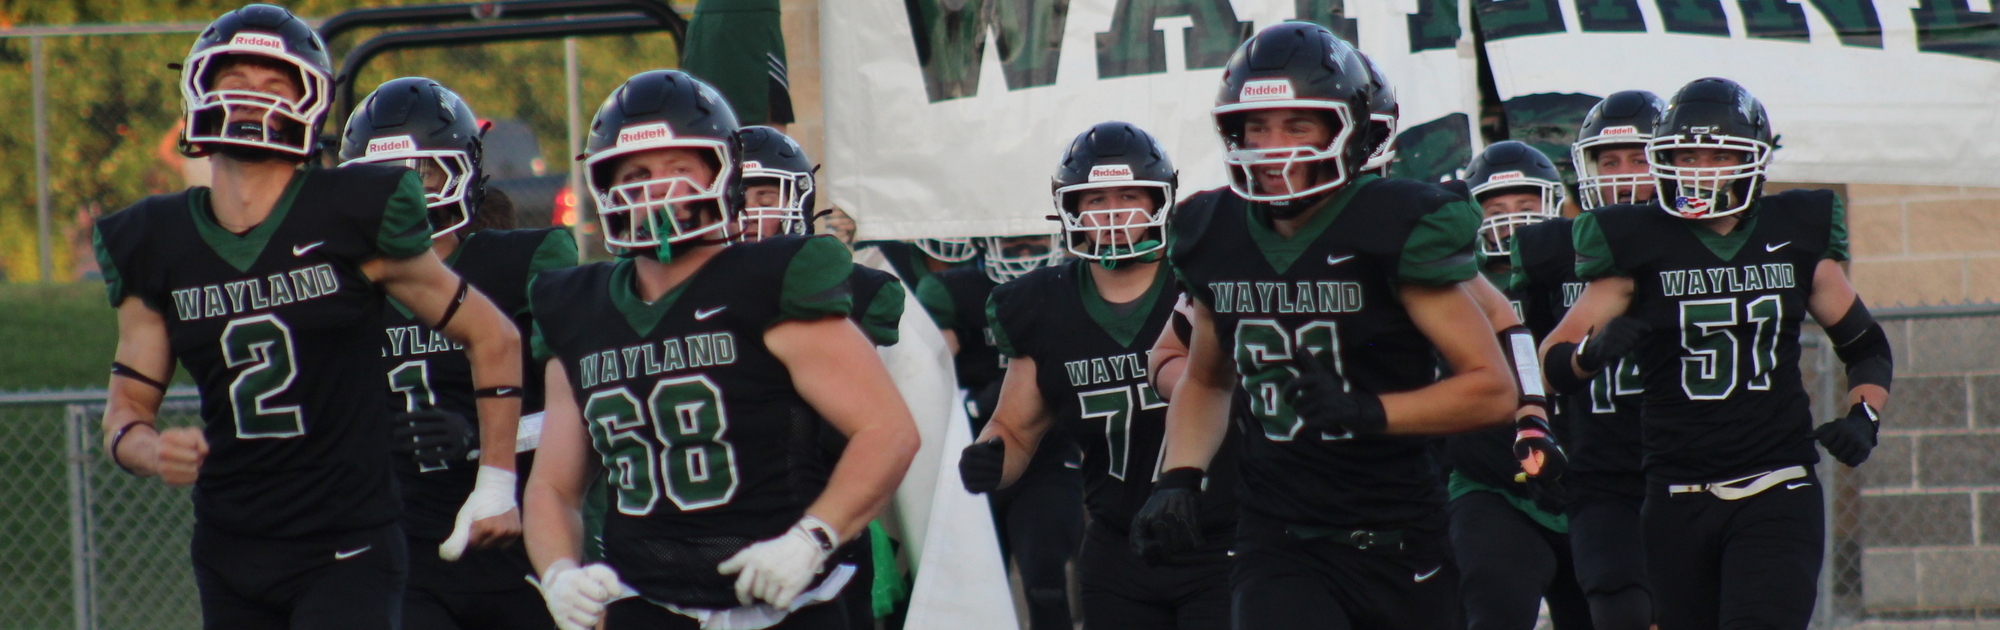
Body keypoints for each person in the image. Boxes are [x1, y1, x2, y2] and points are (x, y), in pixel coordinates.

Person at [92, 6, 525, 628]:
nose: (250, 100)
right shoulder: (152, 239)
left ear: (311, 101)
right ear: (199, 87)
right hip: (229, 546)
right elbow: (124, 414)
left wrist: (494, 483)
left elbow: (493, 334)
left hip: (347, 546)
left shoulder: (352, 211)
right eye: (234, 80)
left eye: (274, 85)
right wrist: (150, 450)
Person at [1132, 22, 1518, 629]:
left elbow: (1492, 388)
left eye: (1297, 124)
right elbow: (1207, 381)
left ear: (1349, 129)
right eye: (1255, 127)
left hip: (1399, 533)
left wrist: (1370, 412)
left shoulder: (1394, 223)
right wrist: (1176, 476)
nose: (1272, 145)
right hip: (1278, 538)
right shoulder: (1214, 229)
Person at [520, 69, 919, 630]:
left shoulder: (770, 280)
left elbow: (889, 431)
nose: (656, 187)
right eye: (635, 172)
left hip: (785, 600)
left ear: (723, 174)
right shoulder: (577, 307)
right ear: (605, 186)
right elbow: (555, 486)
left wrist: (811, 537)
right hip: (645, 602)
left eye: (679, 168)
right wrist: (560, 572)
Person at [1539, 77, 1891, 629]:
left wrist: (1864, 415)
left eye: (1718, 153)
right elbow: (1551, 363)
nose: (1700, 167)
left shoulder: (1793, 232)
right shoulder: (1636, 240)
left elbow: (1865, 344)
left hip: (1777, 483)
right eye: (1686, 153)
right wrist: (1590, 351)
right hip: (1676, 495)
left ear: (1752, 160)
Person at [958, 122, 1236, 630]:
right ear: (1070, 209)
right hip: (1119, 547)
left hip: (1222, 538)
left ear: (1160, 202)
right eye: (1095, 198)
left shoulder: (1203, 277)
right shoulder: (1040, 303)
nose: (1113, 211)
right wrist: (990, 455)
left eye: (1129, 194)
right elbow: (1017, 429)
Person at [341, 76, 578, 630]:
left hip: (521, 538)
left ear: (460, 169)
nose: (399, 193)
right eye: (380, 177)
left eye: (418, 173)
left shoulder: (527, 261)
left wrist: (483, 438)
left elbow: (594, 409)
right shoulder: (345, 287)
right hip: (406, 550)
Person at [733, 124, 908, 629]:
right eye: (740, 196)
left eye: (767, 194)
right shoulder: (676, 289)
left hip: (822, 516)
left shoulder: (857, 289)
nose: (751, 212)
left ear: (800, 199)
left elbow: (872, 427)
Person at [1510, 89, 1668, 630]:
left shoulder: (1699, 242)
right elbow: (1522, 351)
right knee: (1616, 606)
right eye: (1609, 160)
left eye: (1639, 158)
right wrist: (1533, 430)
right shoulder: (1554, 250)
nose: (1623, 174)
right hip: (1600, 469)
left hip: (1695, 464)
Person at [1446, 141, 1593, 630]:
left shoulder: (1589, 279)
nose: (1512, 222)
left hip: (1593, 489)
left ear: (1552, 205)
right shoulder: (1454, 287)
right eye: (1497, 209)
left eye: (1526, 207)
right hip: (1494, 487)